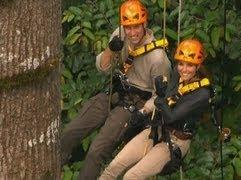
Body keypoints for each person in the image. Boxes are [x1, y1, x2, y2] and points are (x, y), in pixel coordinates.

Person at [60, 0, 171, 179]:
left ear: (145, 24)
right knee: (70, 132)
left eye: (136, 27)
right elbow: (103, 67)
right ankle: (50, 169)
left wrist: (143, 112)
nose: (132, 33)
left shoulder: (158, 58)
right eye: (128, 27)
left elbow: (161, 96)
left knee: (96, 151)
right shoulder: (120, 35)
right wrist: (111, 50)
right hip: (114, 92)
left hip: (133, 104)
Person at [99, 39, 212, 179]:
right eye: (181, 64)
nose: (184, 69)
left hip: (175, 141)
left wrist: (160, 96)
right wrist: (148, 108)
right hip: (156, 129)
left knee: (131, 176)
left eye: (190, 65)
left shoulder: (202, 94)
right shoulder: (178, 75)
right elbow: (165, 100)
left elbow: (171, 115)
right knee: (114, 167)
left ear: (198, 65)